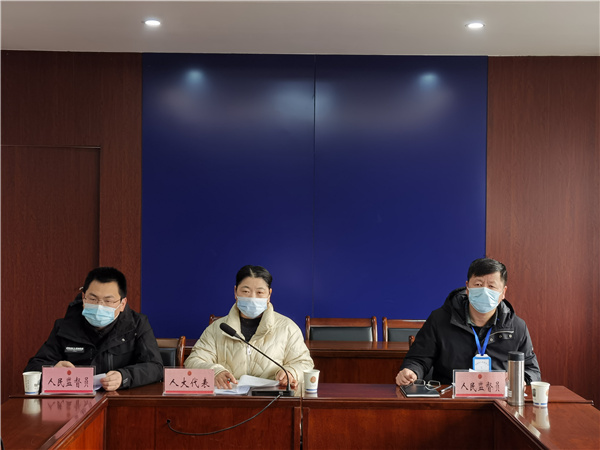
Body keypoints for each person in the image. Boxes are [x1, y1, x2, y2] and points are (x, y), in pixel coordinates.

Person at [396, 258, 541, 386]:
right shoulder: (440, 319)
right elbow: (419, 359)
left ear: (503, 292)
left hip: (498, 401)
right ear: (467, 288)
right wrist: (411, 371)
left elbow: (532, 370)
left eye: (491, 286)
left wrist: (521, 380)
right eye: (478, 284)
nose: (484, 291)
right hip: (450, 397)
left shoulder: (516, 327)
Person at [25, 267, 163, 391]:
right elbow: (34, 366)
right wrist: (53, 370)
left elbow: (155, 367)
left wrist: (124, 376)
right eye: (93, 299)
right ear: (84, 298)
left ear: (122, 304)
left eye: (108, 301)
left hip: (118, 400)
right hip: (76, 402)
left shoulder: (137, 325)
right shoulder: (65, 326)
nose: (99, 306)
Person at [185, 265, 314, 389]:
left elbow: (304, 363)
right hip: (227, 398)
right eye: (246, 291)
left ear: (269, 294)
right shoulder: (217, 328)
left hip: (272, 400)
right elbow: (193, 361)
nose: (252, 298)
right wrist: (215, 371)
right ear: (235, 292)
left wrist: (291, 372)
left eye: (260, 292)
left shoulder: (288, 328)